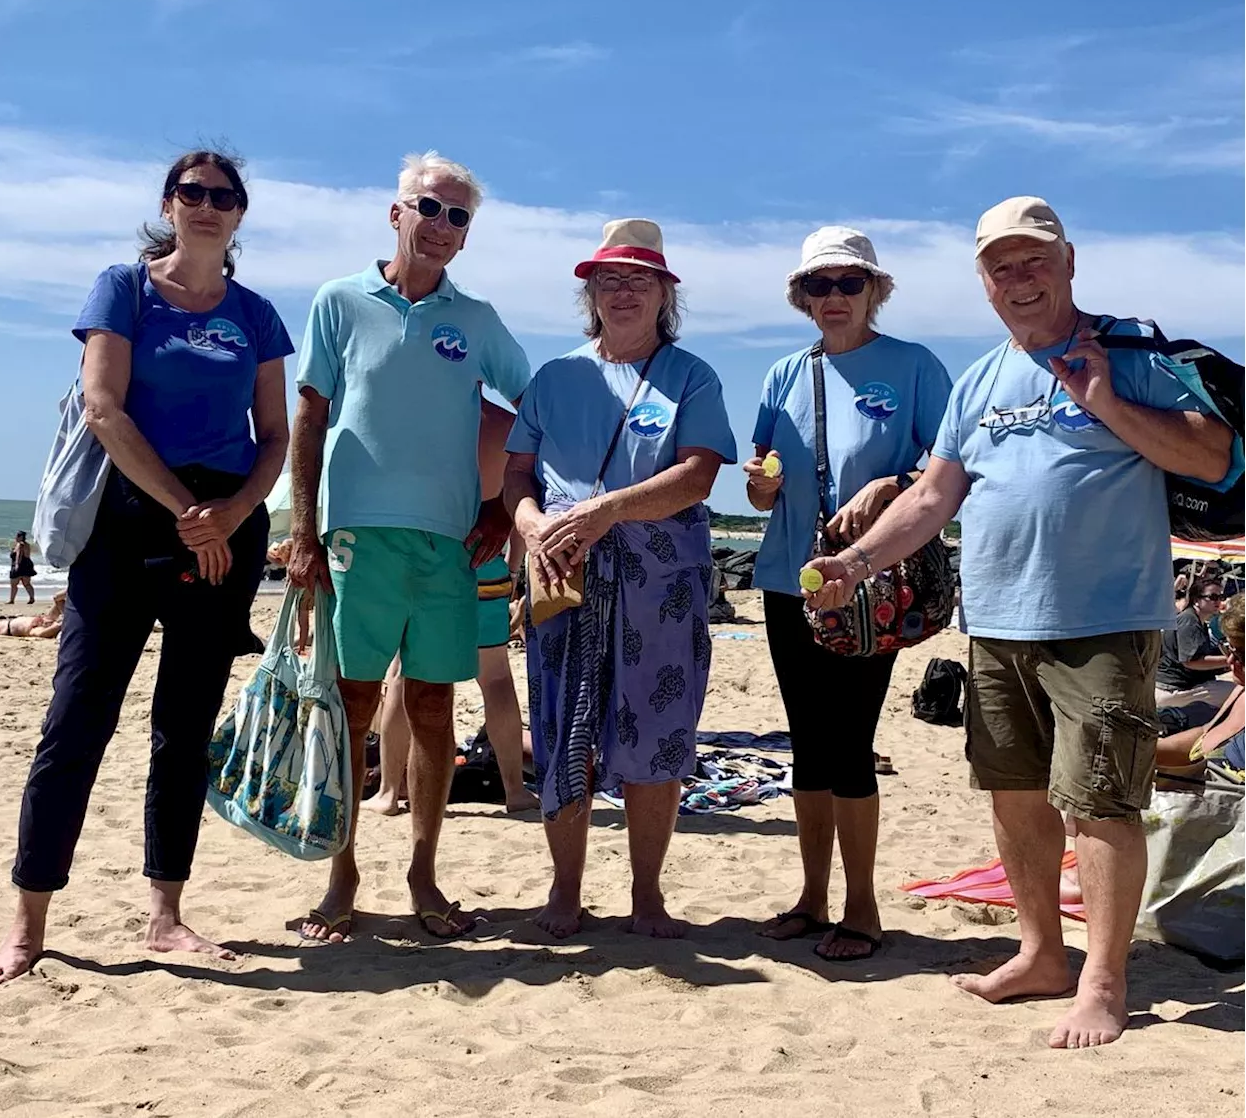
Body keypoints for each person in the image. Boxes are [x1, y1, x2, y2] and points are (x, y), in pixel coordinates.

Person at [801, 196, 1233, 1048]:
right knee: (1015, 795)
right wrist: (856, 564)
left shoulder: (1127, 352)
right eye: (1002, 266)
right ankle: (1041, 953)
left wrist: (1105, 399)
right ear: (984, 283)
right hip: (996, 620)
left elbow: (1211, 455)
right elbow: (933, 496)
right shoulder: (979, 379)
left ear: (1069, 261)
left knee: (1101, 802)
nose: (1019, 277)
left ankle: (1104, 981)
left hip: (1104, 620)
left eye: (1034, 259)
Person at [0, 149, 292, 984]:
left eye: (224, 197)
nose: (208, 207)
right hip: (130, 519)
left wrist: (235, 511)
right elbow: (104, 408)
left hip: (227, 528)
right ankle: (27, 919)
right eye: (193, 193)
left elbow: (276, 436)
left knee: (183, 731)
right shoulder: (125, 287)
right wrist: (186, 511)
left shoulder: (255, 314)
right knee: (76, 722)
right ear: (169, 202)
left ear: (240, 213)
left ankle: (166, 915)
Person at [289, 151, 530, 942]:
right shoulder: (339, 300)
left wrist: (502, 508)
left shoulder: (477, 320)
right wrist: (300, 528)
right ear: (397, 213)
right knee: (351, 706)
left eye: (460, 217)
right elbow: (311, 415)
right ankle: (342, 872)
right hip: (357, 535)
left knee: (432, 706)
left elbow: (535, 410)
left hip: (450, 545)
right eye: (431, 208)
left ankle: (424, 871)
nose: (443, 226)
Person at [505, 218, 737, 939]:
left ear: (665, 292)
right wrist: (533, 525)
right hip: (562, 569)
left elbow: (697, 475)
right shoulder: (555, 376)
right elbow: (516, 475)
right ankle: (565, 892)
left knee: (656, 732)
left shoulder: (690, 375)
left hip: (660, 579)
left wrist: (609, 510)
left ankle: (647, 896)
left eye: (640, 279)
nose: (624, 291)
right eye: (610, 278)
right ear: (590, 291)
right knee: (559, 728)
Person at [744, 227, 952, 959]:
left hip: (869, 581)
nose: (834, 298)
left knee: (850, 743)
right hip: (785, 579)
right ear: (802, 297)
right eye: (819, 286)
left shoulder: (915, 365)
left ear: (875, 289)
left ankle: (861, 907)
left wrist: (890, 483)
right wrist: (760, 484)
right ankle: (810, 896)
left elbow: (949, 466)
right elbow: (763, 479)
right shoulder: (781, 374)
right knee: (806, 743)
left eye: (848, 283)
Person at [363, 397, 539, 816]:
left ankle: (389, 791)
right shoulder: (509, 425)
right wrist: (511, 572)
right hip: (488, 560)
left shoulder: (418, 417)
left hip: (429, 558)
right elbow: (519, 504)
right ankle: (514, 790)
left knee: (405, 673)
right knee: (495, 678)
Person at [1155, 592, 1246, 785]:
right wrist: (1144, 752)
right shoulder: (1241, 692)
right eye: (1228, 649)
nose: (1229, 661)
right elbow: (1206, 734)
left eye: (1238, 655)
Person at [1156, 577, 1232, 711]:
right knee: (1238, 695)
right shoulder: (1189, 621)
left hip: (1182, 686)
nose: (1219, 601)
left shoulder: (1196, 620)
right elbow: (1191, 662)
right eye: (1213, 597)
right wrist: (1232, 660)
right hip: (1175, 690)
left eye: (1221, 596)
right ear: (1196, 600)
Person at [0, 591, 66, 638]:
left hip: (7, 628)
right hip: (9, 624)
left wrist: (60, 624)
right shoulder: (49, 620)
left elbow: (40, 634)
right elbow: (57, 598)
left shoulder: (38, 629)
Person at [8, 530, 37, 605]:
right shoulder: (27, 544)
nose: (16, 538)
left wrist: (17, 564)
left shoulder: (20, 545)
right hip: (27, 564)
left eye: (17, 536)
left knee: (14, 583)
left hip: (21, 564)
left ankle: (12, 600)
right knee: (27, 583)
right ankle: (32, 598)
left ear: (20, 537)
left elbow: (19, 555)